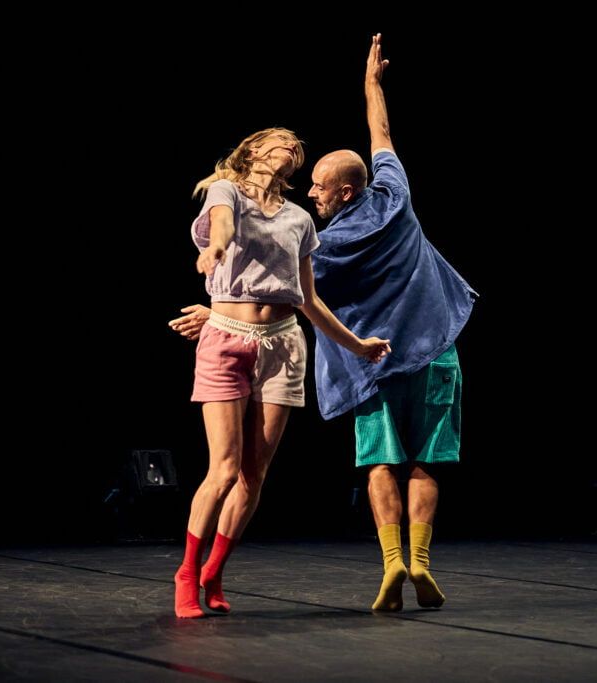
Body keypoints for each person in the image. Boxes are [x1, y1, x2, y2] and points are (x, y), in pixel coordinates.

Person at [170, 34, 477, 612]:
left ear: (343, 192)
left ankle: (389, 565)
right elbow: (380, 137)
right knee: (424, 461)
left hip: (364, 359)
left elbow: (294, 297)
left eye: (318, 183)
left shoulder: (320, 237)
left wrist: (217, 310)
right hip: (435, 344)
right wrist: (371, 85)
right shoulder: (394, 194)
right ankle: (417, 564)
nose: (310, 188)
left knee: (369, 461)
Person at [171, 127, 391, 619]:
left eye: (297, 143)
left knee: (253, 475)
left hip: (285, 345)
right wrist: (216, 249)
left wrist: (357, 345)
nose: (293, 145)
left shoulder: (298, 220)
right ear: (253, 150)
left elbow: (308, 298)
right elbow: (223, 224)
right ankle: (187, 571)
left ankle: (216, 571)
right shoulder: (226, 191)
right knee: (224, 468)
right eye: (282, 138)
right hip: (227, 337)